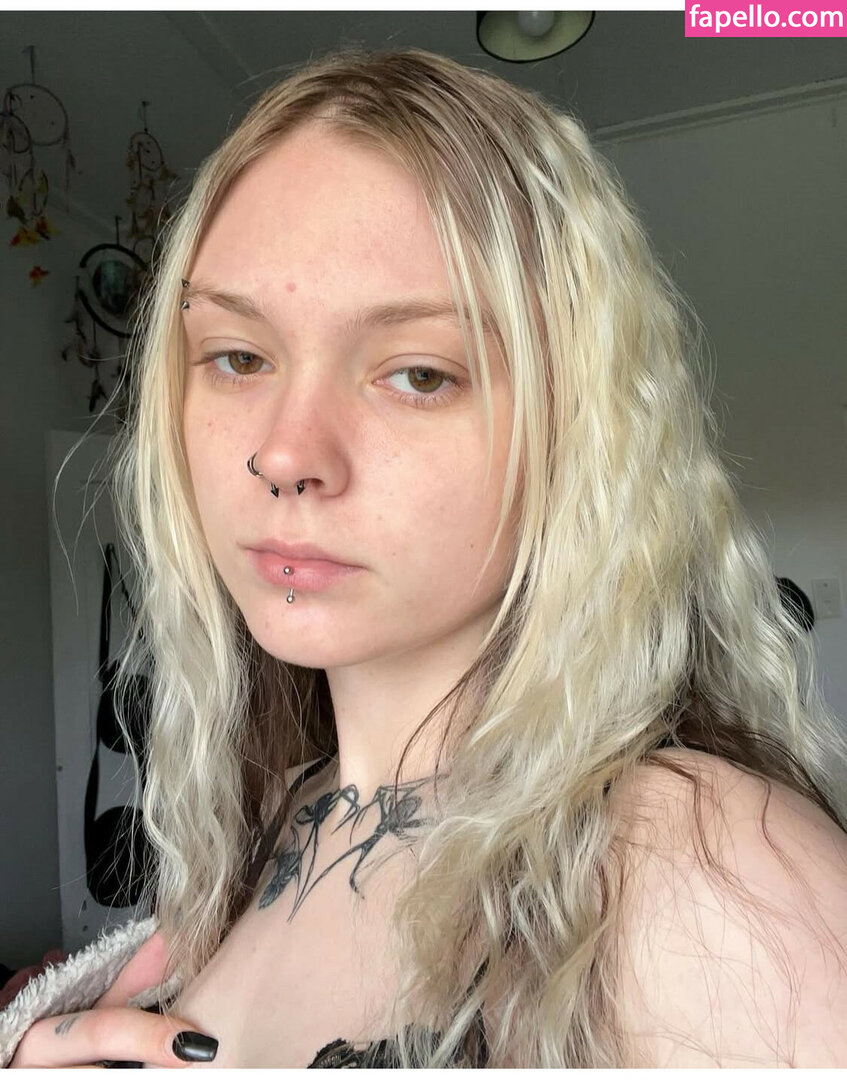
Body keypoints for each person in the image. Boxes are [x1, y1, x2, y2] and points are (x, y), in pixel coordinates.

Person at [5, 48, 847, 1068]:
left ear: (577, 429)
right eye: (238, 356)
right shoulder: (274, 812)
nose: (284, 453)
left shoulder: (706, 871)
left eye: (416, 373)